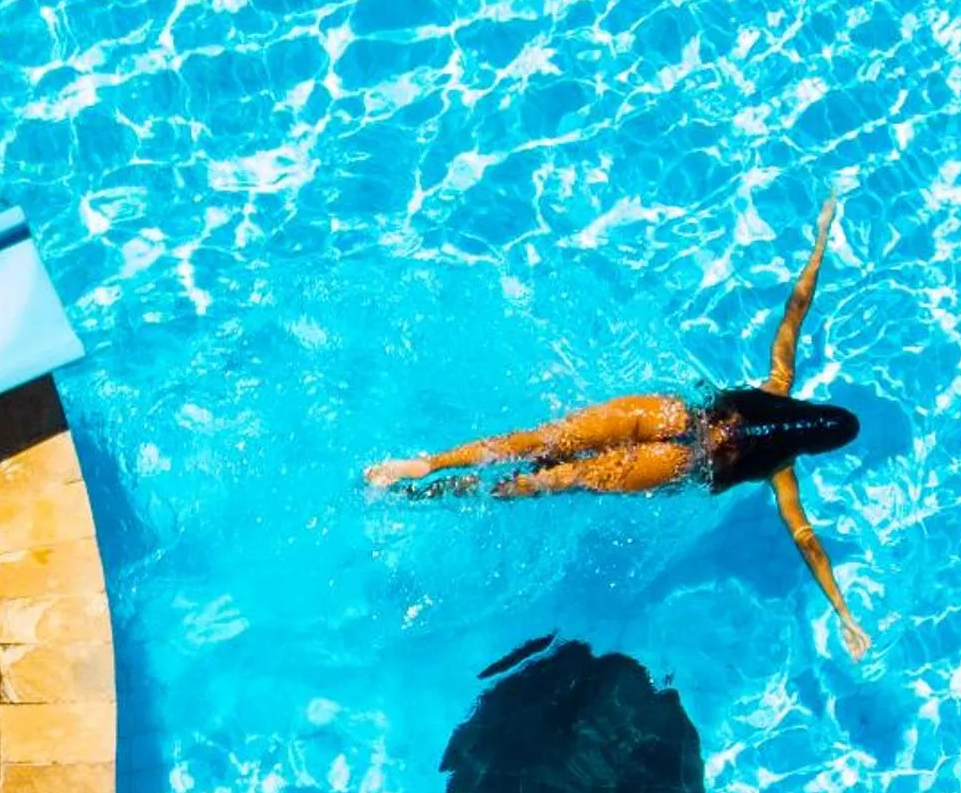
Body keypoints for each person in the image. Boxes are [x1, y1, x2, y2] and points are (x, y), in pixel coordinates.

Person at [366, 199, 872, 656]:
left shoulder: (778, 384)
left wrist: (822, 233)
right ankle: (416, 497)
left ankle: (426, 463)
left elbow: (795, 310)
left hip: (673, 414)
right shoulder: (780, 471)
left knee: (540, 441)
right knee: (544, 480)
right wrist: (845, 617)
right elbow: (808, 542)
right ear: (819, 447)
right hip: (677, 463)